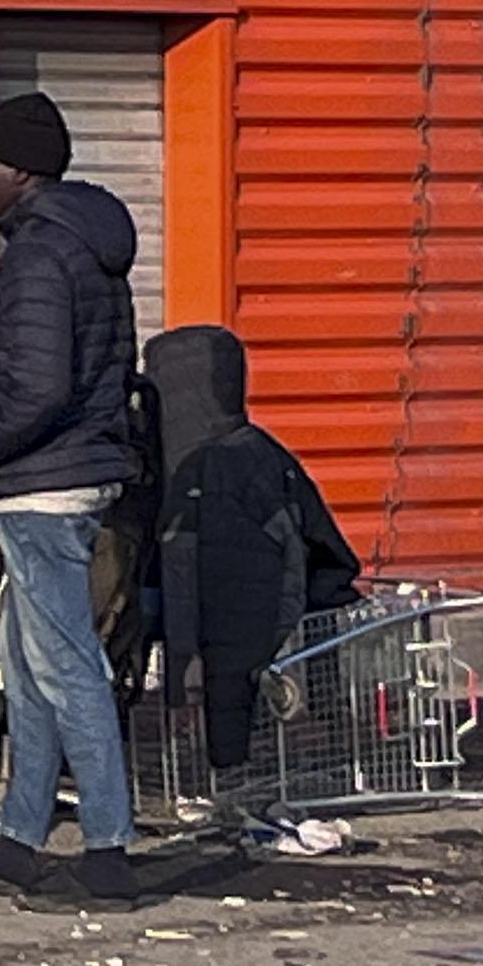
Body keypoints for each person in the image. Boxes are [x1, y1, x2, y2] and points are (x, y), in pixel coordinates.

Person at [0, 91, 143, 904]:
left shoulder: (35, 257)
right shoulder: (86, 249)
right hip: (73, 472)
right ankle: (18, 838)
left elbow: (34, 387)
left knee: (65, 666)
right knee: (27, 668)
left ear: (20, 172)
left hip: (44, 484)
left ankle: (107, 848)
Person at [145, 324, 362, 769]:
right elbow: (327, 555)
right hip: (272, 620)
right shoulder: (262, 453)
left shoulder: (184, 466)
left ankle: (221, 766)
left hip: (220, 643)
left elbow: (196, 592)